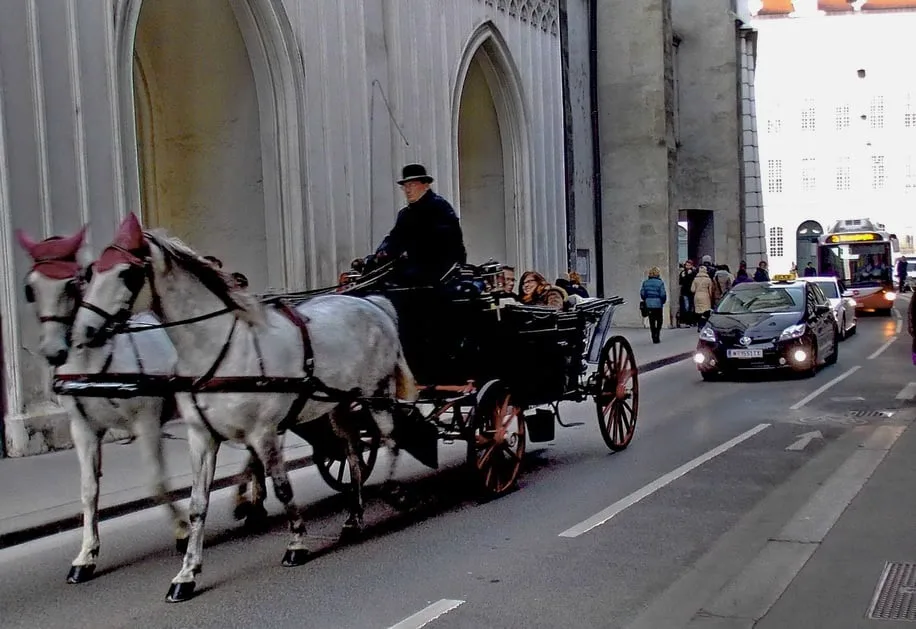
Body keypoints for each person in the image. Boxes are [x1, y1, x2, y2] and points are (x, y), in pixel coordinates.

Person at [369, 164, 467, 286]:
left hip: (441, 269)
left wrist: (408, 255)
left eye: (412, 185)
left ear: (425, 185)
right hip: (415, 266)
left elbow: (444, 244)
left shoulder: (439, 208)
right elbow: (394, 238)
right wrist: (381, 253)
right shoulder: (405, 214)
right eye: (405, 186)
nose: (408, 190)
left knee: (399, 280)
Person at [640, 267, 667, 344]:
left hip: (649, 304)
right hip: (658, 304)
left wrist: (646, 299)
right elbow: (663, 294)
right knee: (659, 320)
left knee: (652, 321)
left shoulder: (645, 283)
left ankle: (653, 335)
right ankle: (657, 334)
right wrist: (663, 301)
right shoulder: (660, 283)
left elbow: (642, 293)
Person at [691, 265, 714, 330]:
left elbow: (692, 289)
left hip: (697, 296)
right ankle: (703, 325)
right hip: (705, 296)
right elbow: (710, 291)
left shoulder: (695, 279)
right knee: (705, 312)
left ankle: (699, 325)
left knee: (698, 311)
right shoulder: (708, 280)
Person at [678, 260, 697, 327]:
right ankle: (687, 321)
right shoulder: (683, 273)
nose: (687, 267)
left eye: (689, 265)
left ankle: (691, 321)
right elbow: (681, 282)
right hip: (685, 292)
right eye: (686, 265)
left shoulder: (694, 272)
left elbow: (693, 281)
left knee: (691, 306)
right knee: (687, 306)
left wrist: (689, 275)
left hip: (691, 291)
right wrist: (683, 276)